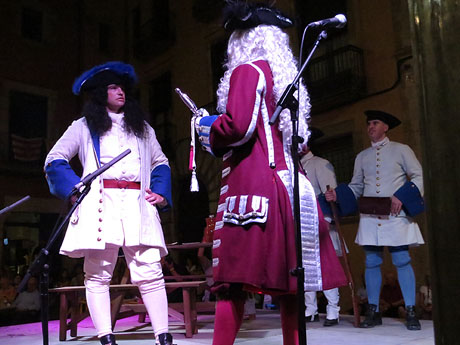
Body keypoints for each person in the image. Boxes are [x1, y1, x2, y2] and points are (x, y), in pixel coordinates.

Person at [193, 3, 347, 344]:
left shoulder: (247, 71)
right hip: (290, 186)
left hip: (254, 186)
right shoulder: (281, 77)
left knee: (230, 281)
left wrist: (205, 127)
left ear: (242, 40)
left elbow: (238, 128)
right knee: (289, 283)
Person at [44, 61, 173, 345]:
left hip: (138, 203)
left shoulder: (143, 128)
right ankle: (106, 335)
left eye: (122, 87)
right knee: (98, 273)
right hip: (102, 204)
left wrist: (160, 192)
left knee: (150, 269)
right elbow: (54, 159)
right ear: (101, 93)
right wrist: (74, 188)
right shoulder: (82, 127)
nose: (120, 92)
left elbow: (160, 162)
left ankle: (162, 334)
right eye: (113, 87)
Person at [325, 110, 425, 331]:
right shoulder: (361, 157)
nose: (370, 127)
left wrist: (402, 195)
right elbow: (356, 185)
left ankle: (410, 310)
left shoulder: (402, 150)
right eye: (369, 123)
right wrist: (337, 195)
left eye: (375, 123)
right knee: (371, 262)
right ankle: (374, 310)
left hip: (395, 213)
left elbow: (419, 175)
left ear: (385, 127)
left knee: (401, 259)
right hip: (371, 215)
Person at [300, 128, 343, 326]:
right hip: (302, 224)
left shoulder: (319, 164)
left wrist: (325, 221)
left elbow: (329, 196)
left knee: (327, 267)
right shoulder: (294, 166)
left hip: (320, 223)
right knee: (305, 269)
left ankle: (333, 309)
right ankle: (310, 309)